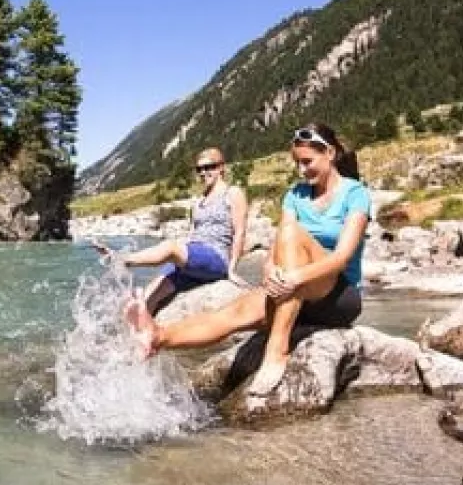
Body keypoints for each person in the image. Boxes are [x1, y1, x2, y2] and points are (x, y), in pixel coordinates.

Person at [125, 123, 371, 397]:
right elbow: (277, 246)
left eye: (307, 162)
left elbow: (342, 257)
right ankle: (157, 336)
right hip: (293, 290)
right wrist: (269, 273)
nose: (301, 171)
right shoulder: (295, 195)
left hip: (337, 294)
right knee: (232, 313)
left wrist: (292, 278)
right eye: (297, 164)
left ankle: (277, 348)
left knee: (292, 233)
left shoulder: (355, 193)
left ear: (330, 153)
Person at [93, 147, 249, 315]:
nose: (203, 172)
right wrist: (181, 255)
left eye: (208, 167)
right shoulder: (199, 201)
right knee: (148, 297)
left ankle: (123, 260)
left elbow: (239, 232)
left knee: (170, 247)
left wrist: (232, 270)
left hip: (216, 257)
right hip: (193, 259)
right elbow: (193, 233)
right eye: (199, 169)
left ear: (221, 167)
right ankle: (140, 339)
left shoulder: (233, 193)